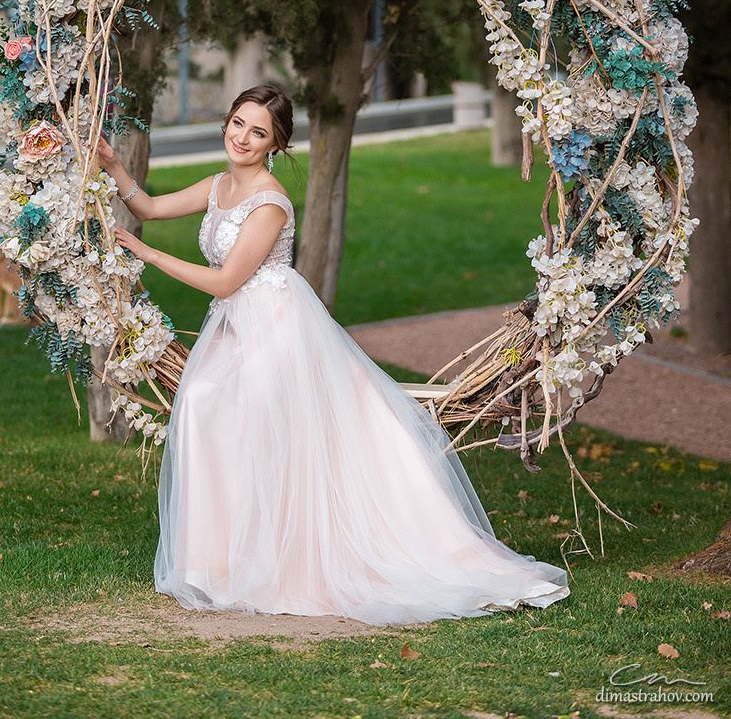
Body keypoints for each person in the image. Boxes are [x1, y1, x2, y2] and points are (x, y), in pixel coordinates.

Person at [100, 84, 569, 625]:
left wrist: (146, 253)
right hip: (235, 329)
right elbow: (151, 206)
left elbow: (227, 281)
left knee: (247, 423)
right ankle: (217, 565)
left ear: (276, 144)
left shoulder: (270, 201)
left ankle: (274, 562)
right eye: (237, 124)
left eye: (259, 133)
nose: (243, 138)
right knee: (205, 408)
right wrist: (114, 167)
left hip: (274, 325)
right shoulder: (219, 184)